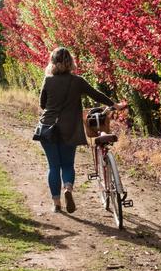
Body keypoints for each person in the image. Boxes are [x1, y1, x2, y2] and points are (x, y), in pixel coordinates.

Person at [38, 47, 125, 213]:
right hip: (69, 128)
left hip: (48, 128)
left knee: (54, 167)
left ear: (53, 63)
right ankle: (68, 189)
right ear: (70, 62)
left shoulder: (48, 81)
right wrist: (113, 105)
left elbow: (42, 104)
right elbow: (96, 94)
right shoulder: (77, 81)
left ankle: (56, 204)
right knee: (68, 165)